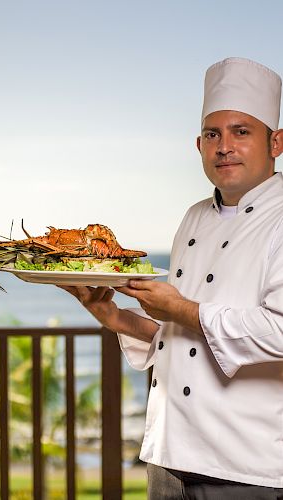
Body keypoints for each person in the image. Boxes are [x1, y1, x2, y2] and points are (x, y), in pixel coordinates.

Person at [60, 57, 283, 499]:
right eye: (212, 134)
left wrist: (181, 307)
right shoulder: (193, 217)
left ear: (275, 143)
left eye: (242, 132)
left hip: (246, 465)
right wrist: (113, 315)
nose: (224, 146)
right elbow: (181, 334)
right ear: (198, 145)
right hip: (168, 456)